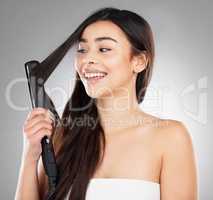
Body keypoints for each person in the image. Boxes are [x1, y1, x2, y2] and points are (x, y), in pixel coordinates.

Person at [15, 7, 197, 200]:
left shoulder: (170, 137)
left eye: (104, 49)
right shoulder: (62, 137)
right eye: (82, 50)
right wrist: (30, 155)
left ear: (139, 61)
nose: (88, 59)